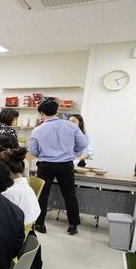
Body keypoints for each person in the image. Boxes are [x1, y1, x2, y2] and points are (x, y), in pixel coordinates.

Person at [29, 99, 87, 235]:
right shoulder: (71, 126)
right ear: (57, 111)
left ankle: (40, 224)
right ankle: (73, 225)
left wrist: (43, 154)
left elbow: (33, 151)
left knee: (43, 195)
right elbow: (83, 144)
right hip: (66, 164)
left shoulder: (37, 130)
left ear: (41, 113)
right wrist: (72, 152)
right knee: (70, 195)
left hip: (46, 165)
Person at [0, 147, 41, 225]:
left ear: (6, 171)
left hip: (11, 230)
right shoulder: (26, 187)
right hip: (24, 228)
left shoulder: (9, 193)